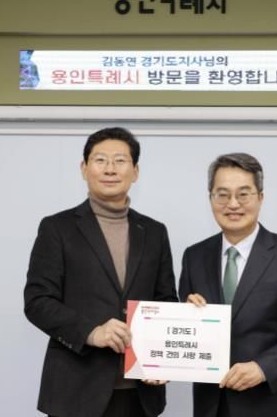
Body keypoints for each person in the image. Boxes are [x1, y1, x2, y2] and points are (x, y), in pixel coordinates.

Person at [24, 127, 178, 417]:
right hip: (75, 391)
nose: (110, 169)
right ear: (84, 168)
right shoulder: (57, 228)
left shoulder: (155, 232)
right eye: (100, 160)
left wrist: (164, 361)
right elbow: (38, 301)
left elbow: (166, 300)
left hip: (141, 392)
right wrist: (92, 332)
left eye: (120, 161)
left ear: (135, 171)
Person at [179, 153, 277, 417]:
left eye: (243, 194)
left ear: (260, 197)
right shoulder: (194, 256)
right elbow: (186, 330)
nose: (232, 204)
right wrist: (187, 314)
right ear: (210, 198)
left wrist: (263, 368)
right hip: (211, 405)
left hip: (272, 404)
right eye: (222, 195)